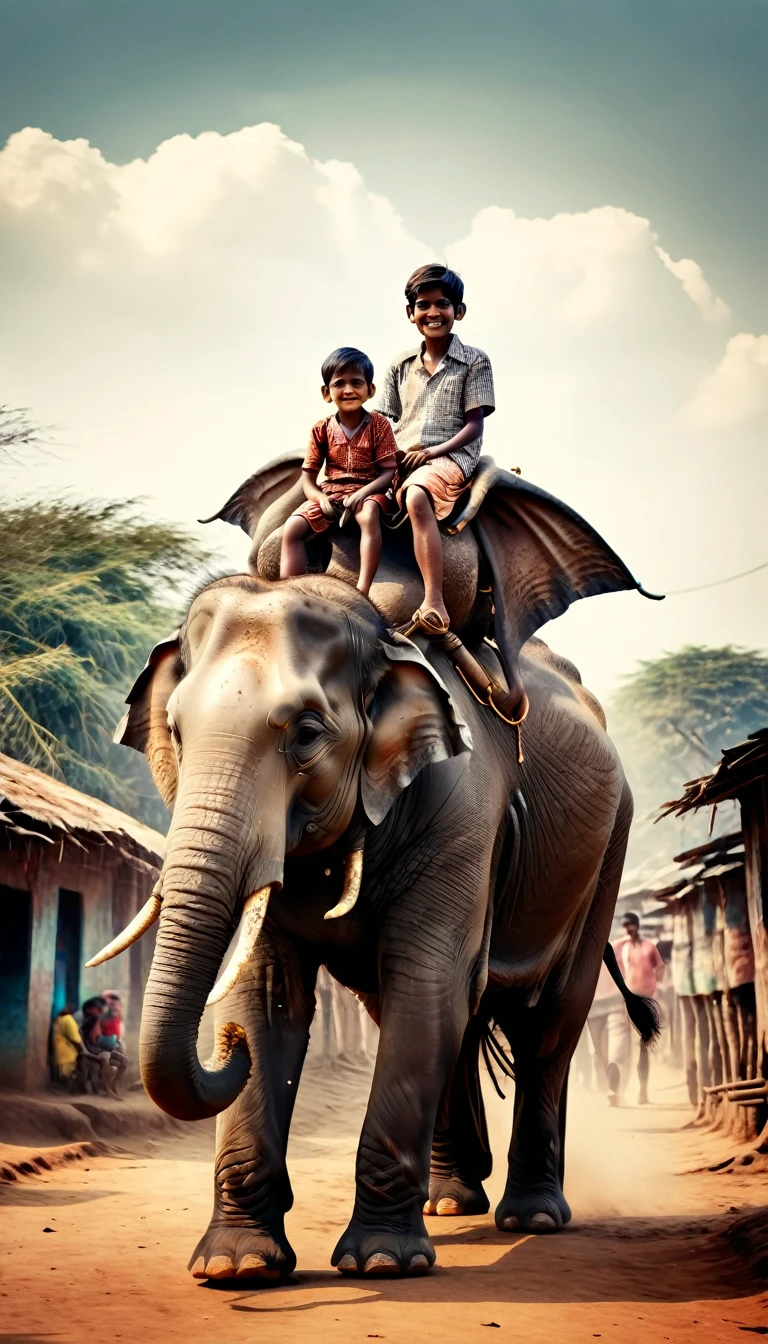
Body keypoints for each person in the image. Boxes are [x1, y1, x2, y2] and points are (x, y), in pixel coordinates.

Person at [377, 263, 500, 644]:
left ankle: (434, 601)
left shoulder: (475, 361)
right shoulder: (399, 365)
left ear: (458, 311)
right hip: (402, 456)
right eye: (423, 305)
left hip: (450, 457)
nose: (433, 312)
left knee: (416, 494)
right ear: (411, 314)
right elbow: (384, 420)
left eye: (442, 304)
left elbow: (474, 427)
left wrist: (432, 452)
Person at [280, 347, 397, 596]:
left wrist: (362, 494)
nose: (348, 390)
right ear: (327, 393)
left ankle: (362, 590)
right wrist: (320, 499)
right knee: (292, 528)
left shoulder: (379, 425)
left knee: (368, 516)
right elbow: (308, 480)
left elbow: (388, 473)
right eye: (339, 384)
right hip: (331, 493)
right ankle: (289, 591)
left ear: (370, 390)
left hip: (369, 491)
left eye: (356, 383)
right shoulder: (320, 429)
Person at [609, 912, 664, 1105]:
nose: (628, 930)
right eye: (625, 927)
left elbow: (660, 967)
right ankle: (620, 1091)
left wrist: (654, 986)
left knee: (643, 1048)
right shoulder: (621, 946)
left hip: (646, 1002)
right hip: (628, 1003)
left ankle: (643, 1092)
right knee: (626, 1050)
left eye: (630, 926)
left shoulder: (649, 947)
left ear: (637, 926)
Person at [51, 1005, 85, 1088]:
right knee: (70, 1076)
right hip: (69, 1054)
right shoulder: (68, 1019)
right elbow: (75, 1038)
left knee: (63, 1076)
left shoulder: (58, 1020)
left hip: (59, 1054)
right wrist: (82, 1050)